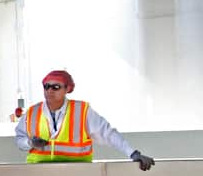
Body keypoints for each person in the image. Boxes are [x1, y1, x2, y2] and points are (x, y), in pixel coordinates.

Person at [14, 70, 155, 170]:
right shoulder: (32, 112)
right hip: (38, 174)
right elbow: (20, 140)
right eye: (46, 86)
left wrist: (133, 153)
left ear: (67, 89)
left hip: (79, 174)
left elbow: (108, 134)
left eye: (55, 87)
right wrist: (30, 142)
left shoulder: (82, 111)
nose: (49, 91)